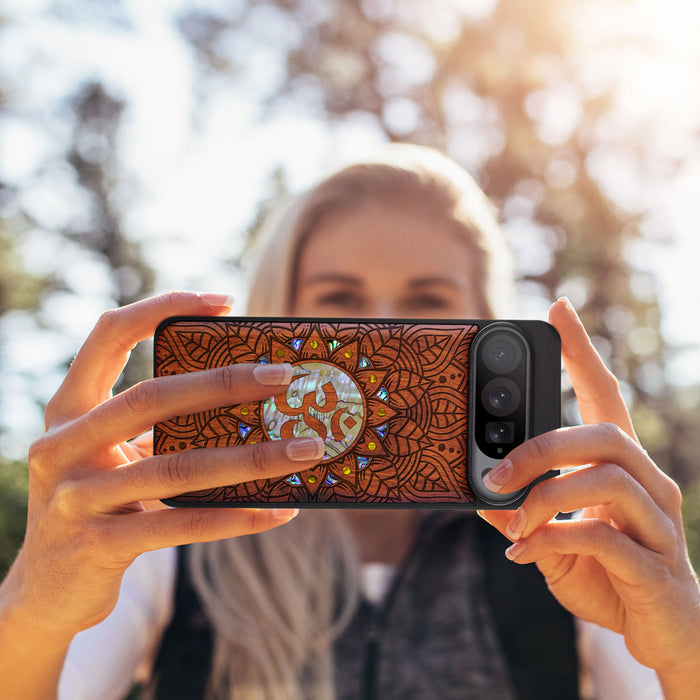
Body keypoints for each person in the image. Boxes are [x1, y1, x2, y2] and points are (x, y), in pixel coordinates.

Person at [0, 145, 698, 700]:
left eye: (427, 302)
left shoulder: (566, 543)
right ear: (279, 315)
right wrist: (34, 607)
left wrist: (685, 649)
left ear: (486, 323)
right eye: (341, 299)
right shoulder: (171, 535)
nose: (386, 326)